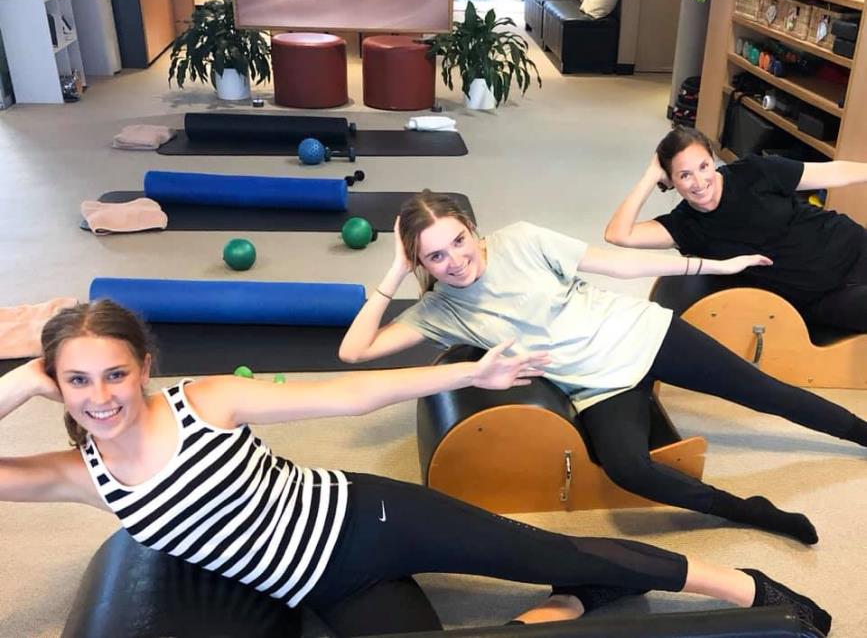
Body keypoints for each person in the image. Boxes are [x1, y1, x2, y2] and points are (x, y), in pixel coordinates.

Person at [0, 300, 832, 636]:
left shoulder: (203, 401)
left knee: (552, 551)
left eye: (115, 374)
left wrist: (472, 375)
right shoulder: (80, 474)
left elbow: (350, 395)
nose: (101, 397)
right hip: (328, 589)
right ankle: (579, 603)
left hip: (371, 518)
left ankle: (746, 585)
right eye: (77, 381)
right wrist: (24, 380)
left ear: (144, 366)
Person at [339, 191, 867, 547]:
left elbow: (620, 263)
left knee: (766, 392)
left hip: (645, 335)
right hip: (598, 388)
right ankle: (751, 511)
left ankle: (860, 433)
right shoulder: (439, 310)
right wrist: (394, 271)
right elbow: (354, 352)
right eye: (434, 257)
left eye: (458, 241)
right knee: (627, 469)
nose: (455, 261)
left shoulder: (520, 239)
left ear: (472, 229)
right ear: (420, 264)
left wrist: (714, 266)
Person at [605, 125, 867, 333]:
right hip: (820, 297)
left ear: (712, 159)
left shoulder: (753, 172)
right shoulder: (684, 226)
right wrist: (650, 175)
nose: (699, 182)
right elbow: (618, 234)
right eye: (684, 175)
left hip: (851, 246)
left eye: (704, 166)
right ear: (670, 180)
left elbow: (834, 173)